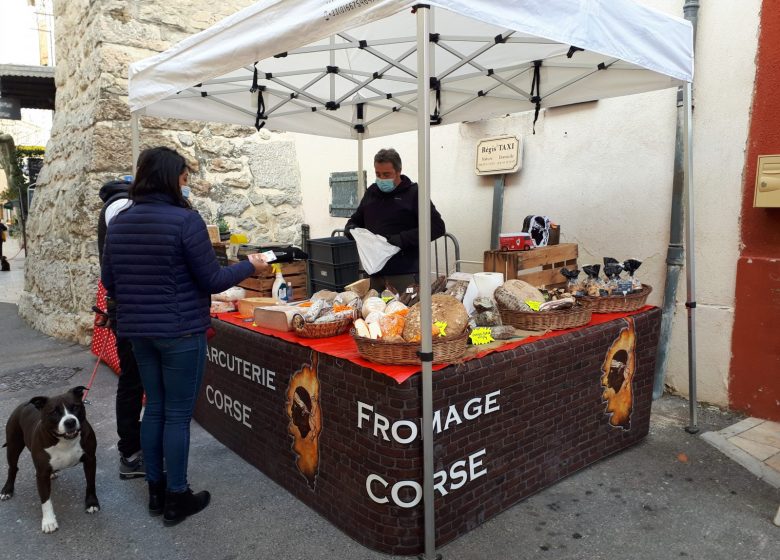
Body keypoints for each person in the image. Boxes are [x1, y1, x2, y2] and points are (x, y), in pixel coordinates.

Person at [101, 146, 269, 526]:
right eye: (183, 176)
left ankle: (155, 493)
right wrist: (249, 265)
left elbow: (110, 281)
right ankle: (177, 496)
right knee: (177, 415)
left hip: (138, 332)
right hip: (180, 331)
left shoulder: (121, 222)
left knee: (155, 408)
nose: (186, 183)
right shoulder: (185, 220)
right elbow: (212, 279)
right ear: (168, 177)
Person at [97, 177, 145, 479]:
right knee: (134, 383)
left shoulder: (112, 207)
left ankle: (132, 449)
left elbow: (109, 272)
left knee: (133, 382)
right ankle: (130, 451)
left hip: (125, 308)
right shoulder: (123, 208)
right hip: (135, 312)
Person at [345, 148, 446, 291]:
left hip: (405, 274)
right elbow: (357, 219)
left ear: (398, 171)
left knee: (405, 312)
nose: (382, 179)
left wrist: (400, 239)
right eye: (378, 174)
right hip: (375, 274)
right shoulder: (371, 192)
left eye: (387, 174)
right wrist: (350, 228)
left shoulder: (415, 194)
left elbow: (437, 227)